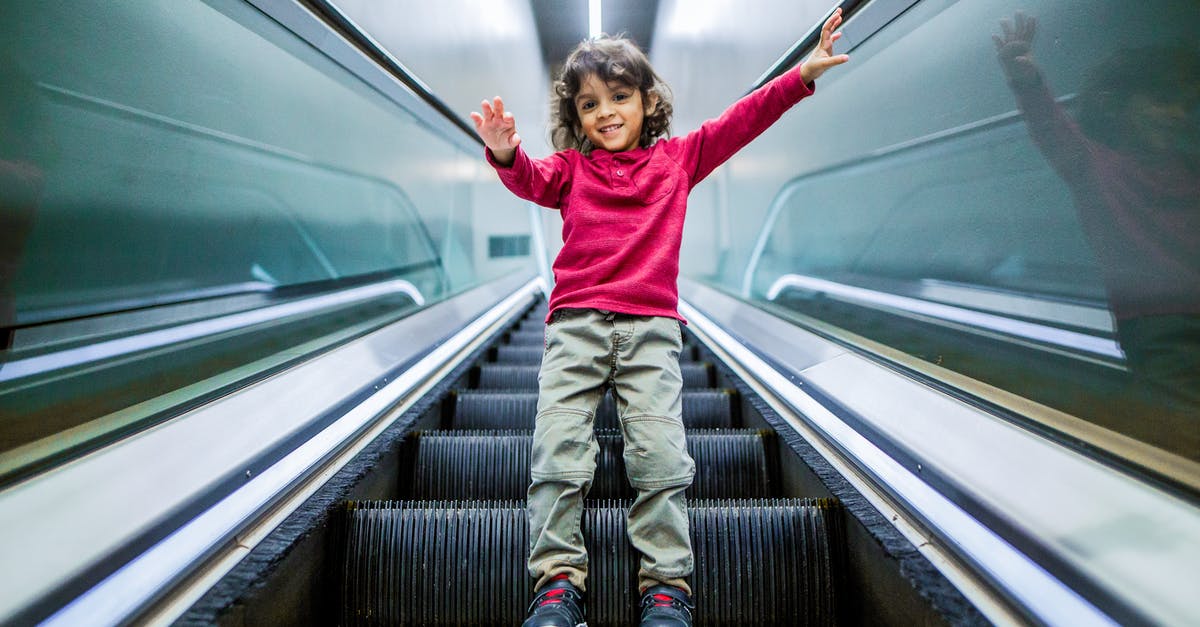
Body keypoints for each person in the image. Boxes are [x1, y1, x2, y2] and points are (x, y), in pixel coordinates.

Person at [472, 9, 849, 627]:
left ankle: (667, 588)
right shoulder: (571, 170)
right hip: (575, 326)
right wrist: (506, 152)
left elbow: (741, 121)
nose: (607, 112)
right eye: (590, 105)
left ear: (648, 102)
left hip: (651, 330)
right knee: (557, 452)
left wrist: (801, 75)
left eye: (620, 97)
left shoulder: (678, 160)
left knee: (660, 459)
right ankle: (558, 583)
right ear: (577, 121)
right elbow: (532, 180)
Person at [994, 14, 1200, 436]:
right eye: (1163, 100)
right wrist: (1026, 79)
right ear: (1115, 105)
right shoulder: (1097, 167)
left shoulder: (1189, 168)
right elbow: (1053, 129)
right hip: (1160, 331)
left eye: (1186, 103)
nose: (1177, 114)